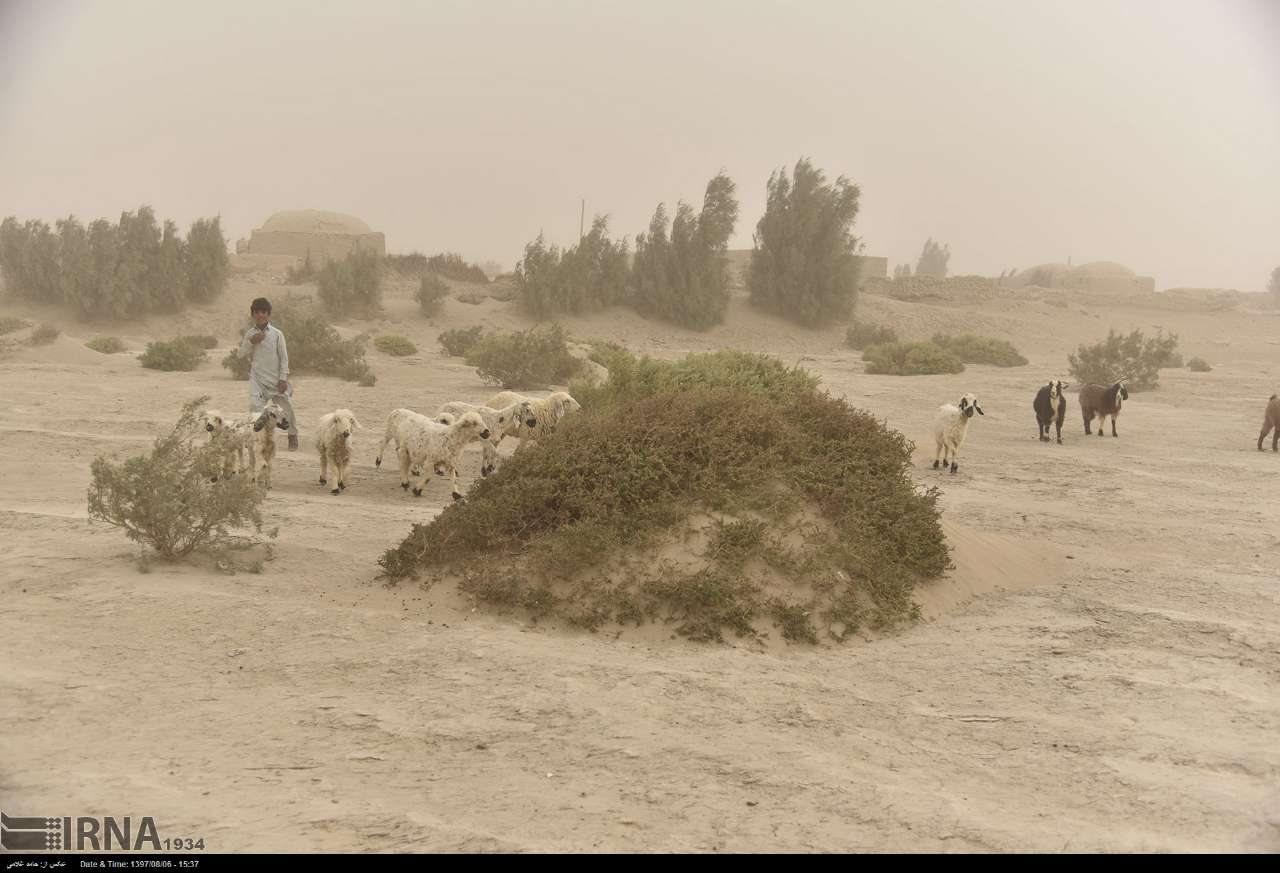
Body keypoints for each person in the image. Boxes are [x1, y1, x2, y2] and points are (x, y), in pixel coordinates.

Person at [238, 297, 299, 450]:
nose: (261, 315)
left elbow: (284, 358)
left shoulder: (277, 334)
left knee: (286, 410)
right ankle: (256, 439)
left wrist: (283, 379)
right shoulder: (250, 334)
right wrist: (251, 341)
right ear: (253, 314)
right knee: (255, 408)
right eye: (257, 312)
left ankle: (292, 436)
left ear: (268, 314)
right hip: (257, 379)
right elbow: (240, 354)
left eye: (264, 312)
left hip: (276, 380)